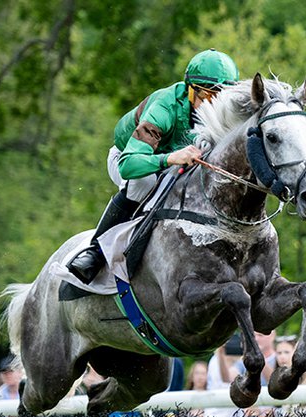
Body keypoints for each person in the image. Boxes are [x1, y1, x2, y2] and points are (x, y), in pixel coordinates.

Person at [66, 49, 240, 284]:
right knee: (145, 182)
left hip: (173, 165)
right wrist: (168, 159)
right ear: (190, 88)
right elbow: (129, 165)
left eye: (220, 97)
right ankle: (95, 252)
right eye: (208, 96)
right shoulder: (165, 106)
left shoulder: (222, 111)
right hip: (130, 158)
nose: (213, 105)